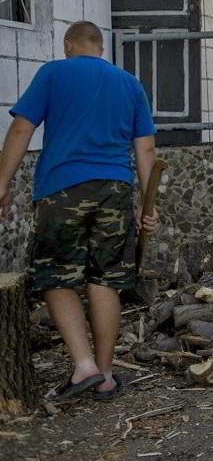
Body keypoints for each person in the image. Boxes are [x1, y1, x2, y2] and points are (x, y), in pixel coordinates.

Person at [0, 21, 159, 402]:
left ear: (69, 45)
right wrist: (148, 205)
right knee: (105, 279)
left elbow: (22, 130)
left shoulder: (54, 72)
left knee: (56, 276)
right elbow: (146, 151)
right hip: (115, 189)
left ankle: (83, 365)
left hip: (62, 187)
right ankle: (105, 375)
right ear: (100, 48)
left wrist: (2, 183)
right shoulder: (130, 83)